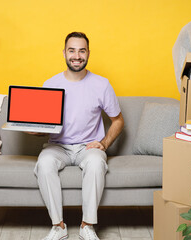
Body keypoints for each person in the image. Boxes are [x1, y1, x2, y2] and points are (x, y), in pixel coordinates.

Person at [32, 32, 124, 240]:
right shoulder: (50, 84)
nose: (76, 55)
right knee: (44, 164)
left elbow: (118, 121)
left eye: (82, 50)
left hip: (88, 147)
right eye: (72, 50)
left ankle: (87, 226)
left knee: (96, 164)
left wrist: (104, 143)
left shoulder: (101, 84)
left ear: (88, 53)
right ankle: (58, 226)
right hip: (57, 147)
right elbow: (43, 128)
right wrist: (34, 130)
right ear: (64, 53)